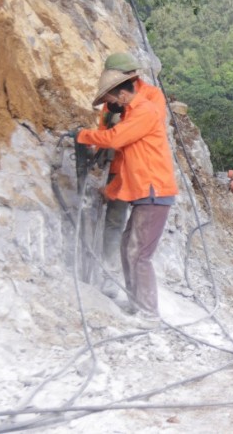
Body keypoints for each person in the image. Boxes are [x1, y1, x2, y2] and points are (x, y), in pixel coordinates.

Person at [75, 68, 177, 325]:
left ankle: (148, 312)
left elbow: (115, 138)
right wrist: (109, 191)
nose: (109, 105)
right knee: (127, 246)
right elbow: (130, 165)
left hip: (154, 192)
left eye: (110, 99)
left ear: (122, 94)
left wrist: (82, 135)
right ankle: (136, 303)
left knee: (138, 252)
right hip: (145, 192)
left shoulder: (144, 111)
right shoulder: (133, 113)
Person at [96, 52, 166, 299]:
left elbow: (142, 131)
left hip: (139, 172)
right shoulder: (112, 99)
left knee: (136, 232)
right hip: (117, 167)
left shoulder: (151, 96)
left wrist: (117, 134)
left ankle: (139, 293)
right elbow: (105, 129)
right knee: (114, 222)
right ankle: (110, 275)